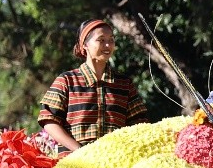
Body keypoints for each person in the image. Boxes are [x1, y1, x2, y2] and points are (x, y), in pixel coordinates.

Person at [39, 20, 148, 155]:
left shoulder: (124, 84)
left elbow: (139, 123)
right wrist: (80, 151)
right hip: (73, 161)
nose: (108, 45)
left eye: (111, 40)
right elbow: (49, 121)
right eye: (101, 40)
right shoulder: (66, 81)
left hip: (114, 160)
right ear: (85, 45)